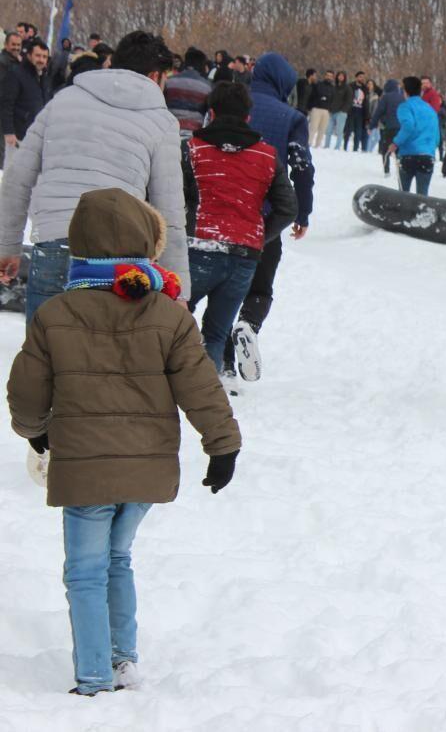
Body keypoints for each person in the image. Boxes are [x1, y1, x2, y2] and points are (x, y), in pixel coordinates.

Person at [6, 187, 241, 696]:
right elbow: (199, 383)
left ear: (79, 246)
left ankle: (93, 677)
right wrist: (222, 444)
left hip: (85, 469)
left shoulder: (55, 313)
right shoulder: (168, 312)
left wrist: (37, 431)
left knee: (86, 571)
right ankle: (123, 660)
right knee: (118, 559)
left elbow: (26, 391)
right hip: (145, 470)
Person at [0, 31, 189, 320]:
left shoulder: (63, 101)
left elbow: (17, 179)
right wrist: (178, 290)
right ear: (155, 76)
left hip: (53, 245)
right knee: (97, 359)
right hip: (113, 260)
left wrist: (8, 245)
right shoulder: (161, 123)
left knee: (41, 357)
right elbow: (170, 214)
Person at [182, 82, 297, 371]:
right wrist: (259, 236)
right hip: (243, 255)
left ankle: (167, 384)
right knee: (217, 334)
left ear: (211, 112)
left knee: (173, 320)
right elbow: (288, 208)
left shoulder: (191, 149)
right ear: (248, 117)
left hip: (197, 247)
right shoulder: (267, 156)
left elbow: (174, 195)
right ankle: (206, 393)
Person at [218, 52, 314, 390]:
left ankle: (223, 363)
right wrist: (302, 213)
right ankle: (248, 324)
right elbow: (301, 167)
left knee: (224, 287)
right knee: (259, 285)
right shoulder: (291, 117)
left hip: (221, 209)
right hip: (266, 216)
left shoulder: (229, 104)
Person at [388, 76, 439, 196]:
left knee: (403, 196)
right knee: (422, 197)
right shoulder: (430, 109)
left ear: (405, 91)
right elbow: (436, 136)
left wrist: (396, 143)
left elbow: (408, 126)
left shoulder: (405, 107)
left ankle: (403, 215)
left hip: (409, 155)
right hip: (427, 155)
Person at [1, 37, 52, 154]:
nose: (41, 60)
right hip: (17, 136)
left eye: (44, 57)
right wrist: (9, 132)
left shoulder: (44, 78)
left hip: (36, 135)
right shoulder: (16, 74)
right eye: (38, 56)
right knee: (11, 170)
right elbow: (6, 105)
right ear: (29, 55)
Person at [163, 47, 214, 141]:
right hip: (193, 137)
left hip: (169, 133)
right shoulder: (207, 87)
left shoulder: (169, 82)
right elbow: (208, 115)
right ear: (202, 65)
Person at [370, 77, 404, 176]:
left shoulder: (385, 97)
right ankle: (400, 170)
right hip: (401, 128)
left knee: (385, 149)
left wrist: (372, 125)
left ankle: (386, 170)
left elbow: (378, 112)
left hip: (389, 127)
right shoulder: (402, 98)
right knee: (399, 149)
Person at [307, 70, 335, 146]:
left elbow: (333, 99)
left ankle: (318, 145)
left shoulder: (333, 88)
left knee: (322, 129)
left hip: (326, 111)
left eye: (330, 76)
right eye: (327, 75)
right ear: (325, 76)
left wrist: (330, 109)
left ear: (332, 78)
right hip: (316, 109)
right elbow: (312, 96)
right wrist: (310, 107)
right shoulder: (318, 84)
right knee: (313, 128)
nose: (329, 77)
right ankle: (309, 143)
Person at [324, 70, 351, 149]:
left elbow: (349, 101)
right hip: (331, 111)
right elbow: (330, 98)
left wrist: (343, 110)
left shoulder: (347, 88)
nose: (340, 77)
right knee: (328, 130)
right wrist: (329, 108)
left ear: (344, 77)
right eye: (339, 76)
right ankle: (326, 146)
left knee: (339, 131)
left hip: (341, 113)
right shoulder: (334, 87)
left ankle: (337, 147)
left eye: (342, 76)